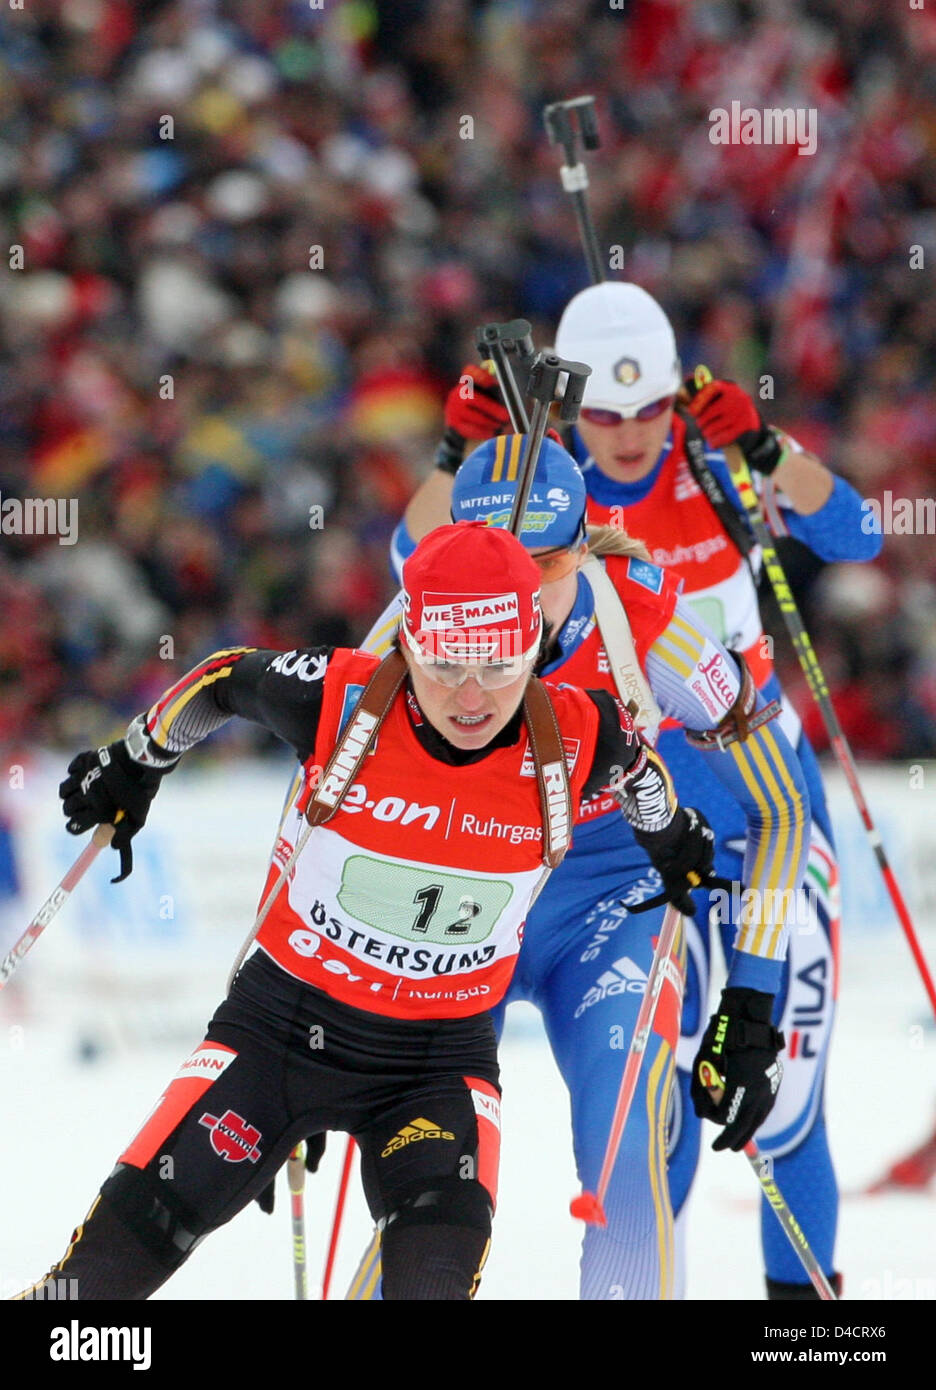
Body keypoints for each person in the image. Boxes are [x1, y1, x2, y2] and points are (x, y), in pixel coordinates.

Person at [17, 521, 718, 1303]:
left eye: (500, 665)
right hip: (278, 1041)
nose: (473, 694)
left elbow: (643, 774)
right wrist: (136, 759)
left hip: (436, 1069)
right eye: (447, 664)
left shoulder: (578, 731)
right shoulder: (338, 697)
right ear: (411, 646)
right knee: (89, 1294)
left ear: (533, 652)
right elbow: (219, 678)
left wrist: (675, 844)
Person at [387, 284, 883, 1298]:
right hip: (644, 845)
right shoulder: (547, 494)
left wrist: (765, 446)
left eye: (647, 409)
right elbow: (417, 564)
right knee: (655, 1121)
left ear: (676, 400)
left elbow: (858, 534)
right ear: (569, 411)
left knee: (779, 1106)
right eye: (601, 415)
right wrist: (458, 459)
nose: (625, 434)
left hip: (761, 814)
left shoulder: (713, 470)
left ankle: (810, 1327)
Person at [352, 434, 811, 1300]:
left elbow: (779, 810)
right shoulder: (403, 640)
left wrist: (751, 1002)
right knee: (425, 1164)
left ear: (579, 546)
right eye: (489, 567)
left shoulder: (646, 628)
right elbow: (314, 814)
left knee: (625, 1143)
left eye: (542, 564)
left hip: (609, 908)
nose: (512, 597)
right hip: (468, 913)